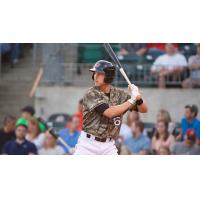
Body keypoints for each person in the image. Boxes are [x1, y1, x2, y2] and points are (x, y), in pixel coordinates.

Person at [74, 60, 148, 155]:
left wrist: (138, 97)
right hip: (88, 144)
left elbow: (144, 109)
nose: (95, 76)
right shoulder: (91, 93)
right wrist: (132, 100)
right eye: (95, 73)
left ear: (108, 77)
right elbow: (110, 113)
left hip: (108, 145)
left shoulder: (119, 94)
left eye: (100, 73)